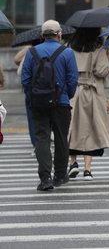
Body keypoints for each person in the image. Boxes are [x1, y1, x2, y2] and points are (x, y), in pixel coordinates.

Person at [21, 20, 78, 191]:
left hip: (38, 103)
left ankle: (45, 178)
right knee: (61, 139)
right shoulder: (67, 52)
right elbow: (73, 79)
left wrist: (34, 96)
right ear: (59, 34)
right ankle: (60, 175)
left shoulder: (32, 52)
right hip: (61, 102)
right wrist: (66, 95)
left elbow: (25, 80)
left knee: (42, 139)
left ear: (42, 35)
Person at [67, 28, 109, 181]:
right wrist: (106, 57)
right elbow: (101, 71)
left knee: (72, 127)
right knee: (91, 129)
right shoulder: (99, 49)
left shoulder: (69, 48)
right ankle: (87, 169)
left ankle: (73, 163)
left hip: (73, 92)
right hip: (92, 93)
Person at [15, 42, 40, 152]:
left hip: (33, 91)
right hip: (53, 92)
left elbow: (20, 72)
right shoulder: (60, 50)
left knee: (32, 118)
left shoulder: (30, 51)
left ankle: (36, 144)